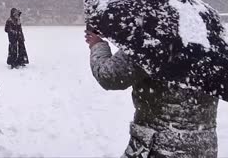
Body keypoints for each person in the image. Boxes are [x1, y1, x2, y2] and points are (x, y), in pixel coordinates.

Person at [85, 29, 219, 158]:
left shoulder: (152, 38)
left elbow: (110, 76)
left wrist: (98, 45)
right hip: (204, 146)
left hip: (157, 145)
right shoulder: (209, 40)